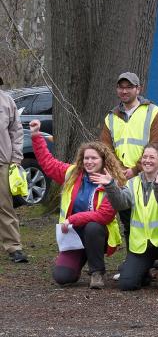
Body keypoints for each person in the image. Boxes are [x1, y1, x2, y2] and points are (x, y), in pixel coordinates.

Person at [30, 119, 124, 288]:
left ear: (103, 160)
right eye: (86, 158)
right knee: (62, 277)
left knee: (93, 227)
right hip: (73, 236)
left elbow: (104, 215)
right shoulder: (72, 173)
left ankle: (97, 273)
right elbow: (48, 163)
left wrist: (73, 219)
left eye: (94, 158)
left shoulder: (111, 182)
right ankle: (80, 257)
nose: (89, 162)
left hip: (98, 235)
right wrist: (36, 136)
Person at [100, 143, 158, 291]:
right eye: (145, 157)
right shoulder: (133, 183)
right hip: (141, 245)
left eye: (152, 157)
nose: (147, 160)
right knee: (127, 284)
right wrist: (110, 186)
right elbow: (121, 204)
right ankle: (144, 273)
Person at [100, 72, 158, 245]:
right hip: (122, 178)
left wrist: (136, 169)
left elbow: (157, 144)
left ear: (139, 89)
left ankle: (155, 257)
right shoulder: (111, 117)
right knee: (129, 221)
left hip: (148, 176)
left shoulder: (154, 112)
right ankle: (133, 259)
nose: (124, 91)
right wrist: (119, 170)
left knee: (151, 218)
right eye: (121, 87)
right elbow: (106, 148)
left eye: (129, 87)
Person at [0, 84, 26, 263]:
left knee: (5, 207)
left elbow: (16, 131)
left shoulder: (6, 100)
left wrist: (16, 158)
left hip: (3, 162)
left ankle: (14, 247)